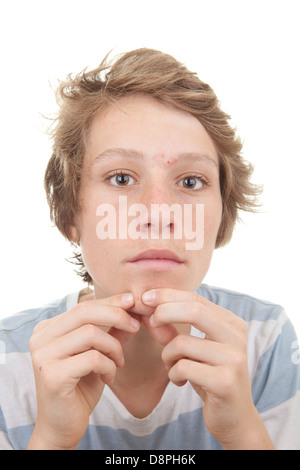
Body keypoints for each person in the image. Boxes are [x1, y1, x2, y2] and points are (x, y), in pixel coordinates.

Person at [0, 48, 299, 450]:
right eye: (121, 178)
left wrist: (243, 432)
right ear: (71, 214)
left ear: (220, 219)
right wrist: (51, 439)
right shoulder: (8, 360)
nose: (159, 213)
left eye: (191, 182)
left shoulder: (267, 341)